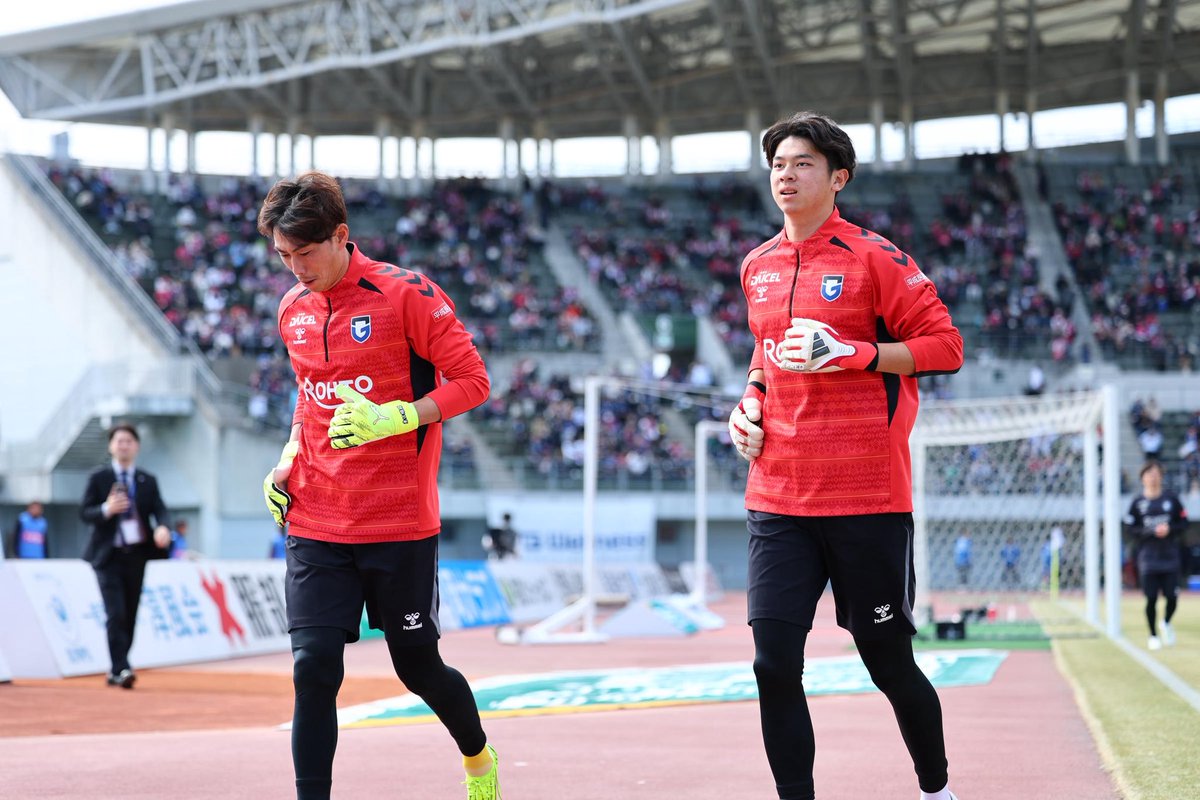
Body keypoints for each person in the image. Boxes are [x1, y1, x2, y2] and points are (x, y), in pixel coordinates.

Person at [726, 111, 964, 800]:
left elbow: (946, 348)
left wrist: (854, 354)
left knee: (888, 663)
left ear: (838, 178)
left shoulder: (875, 258)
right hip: (777, 499)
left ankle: (936, 789)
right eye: (778, 163)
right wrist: (747, 406)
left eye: (802, 163)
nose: (786, 174)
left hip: (866, 500)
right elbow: (764, 360)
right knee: (773, 664)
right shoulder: (757, 266)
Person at [256, 171, 499, 800]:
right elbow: (310, 401)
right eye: (283, 256)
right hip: (316, 518)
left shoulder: (405, 295)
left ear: (341, 236)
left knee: (418, 669)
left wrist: (399, 416)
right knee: (313, 668)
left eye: (304, 254)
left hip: (398, 522)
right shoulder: (291, 309)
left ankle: (479, 761)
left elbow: (473, 380)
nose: (294, 269)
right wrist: (287, 457)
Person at [80, 423, 172, 689]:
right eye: (119, 441)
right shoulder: (98, 478)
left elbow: (161, 510)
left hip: (137, 555)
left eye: (129, 441)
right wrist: (106, 509)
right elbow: (84, 512)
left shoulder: (147, 480)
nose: (124, 446)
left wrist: (164, 527)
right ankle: (120, 668)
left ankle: (119, 665)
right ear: (111, 446)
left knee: (130, 612)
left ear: (137, 447)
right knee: (115, 612)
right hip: (107, 556)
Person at [1123, 461, 1189, 651]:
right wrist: (1151, 532)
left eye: (1156, 474)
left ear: (1161, 476)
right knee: (1151, 598)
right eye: (1149, 474)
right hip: (1148, 558)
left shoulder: (1171, 499)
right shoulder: (1137, 503)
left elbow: (1183, 523)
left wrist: (1170, 529)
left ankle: (1166, 622)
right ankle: (1153, 635)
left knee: (1172, 597)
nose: (1152, 477)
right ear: (1143, 478)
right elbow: (1130, 529)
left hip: (1170, 557)